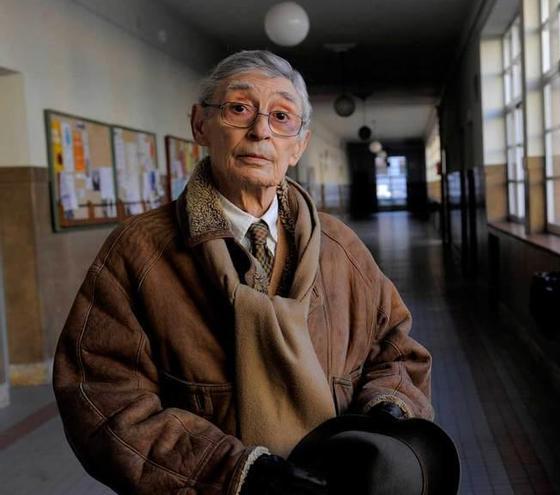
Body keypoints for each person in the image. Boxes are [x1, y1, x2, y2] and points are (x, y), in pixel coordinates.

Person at [52, 50, 433, 495]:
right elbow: (102, 395)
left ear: (299, 145)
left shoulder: (338, 245)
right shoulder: (139, 251)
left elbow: (396, 348)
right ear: (200, 125)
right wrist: (237, 475)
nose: (260, 131)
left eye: (281, 116)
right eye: (239, 109)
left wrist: (389, 407)